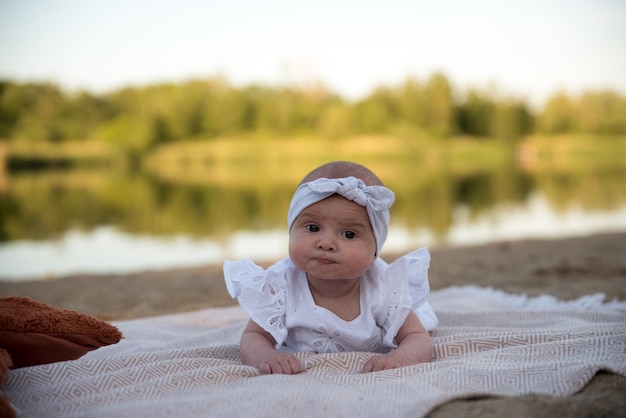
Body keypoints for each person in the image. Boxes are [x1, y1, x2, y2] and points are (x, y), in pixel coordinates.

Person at [223, 161, 438, 374]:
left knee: (420, 317)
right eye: (313, 228)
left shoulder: (382, 286)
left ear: (374, 253)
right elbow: (255, 336)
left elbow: (416, 336)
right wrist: (267, 357)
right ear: (291, 231)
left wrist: (399, 358)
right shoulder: (280, 283)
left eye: (349, 234)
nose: (326, 243)